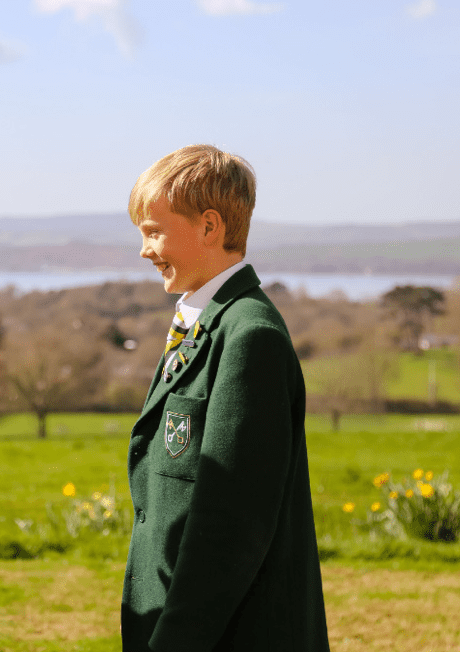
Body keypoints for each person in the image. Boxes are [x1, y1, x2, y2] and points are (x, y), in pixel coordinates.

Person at [121, 145, 330, 651]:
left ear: (209, 227)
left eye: (154, 231)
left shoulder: (248, 335)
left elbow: (231, 525)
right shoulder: (206, 320)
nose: (145, 250)